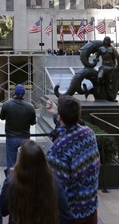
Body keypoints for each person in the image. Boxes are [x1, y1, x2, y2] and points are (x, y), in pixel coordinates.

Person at [46, 95, 100, 224]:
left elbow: (58, 191)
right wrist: (56, 113)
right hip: (91, 209)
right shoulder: (89, 134)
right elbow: (69, 127)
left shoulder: (57, 151)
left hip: (71, 216)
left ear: (60, 117)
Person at [0, 139, 73, 224]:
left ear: (21, 161)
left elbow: (3, 210)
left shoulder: (11, 182)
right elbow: (67, 216)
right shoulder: (54, 182)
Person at [0, 84, 36, 170]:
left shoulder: (7, 104)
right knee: (25, 163)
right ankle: (24, 181)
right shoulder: (30, 107)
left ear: (14, 93)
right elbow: (33, 122)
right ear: (24, 94)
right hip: (25, 137)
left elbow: (1, 117)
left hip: (11, 137)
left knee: (11, 164)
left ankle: (11, 181)